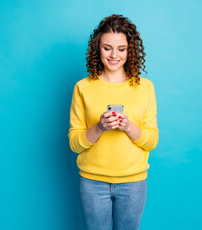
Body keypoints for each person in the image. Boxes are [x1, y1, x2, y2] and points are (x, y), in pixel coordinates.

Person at [68, 14, 159, 230]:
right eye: (107, 48)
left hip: (133, 184)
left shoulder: (145, 87)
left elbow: (152, 141)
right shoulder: (83, 87)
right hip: (92, 183)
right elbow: (74, 143)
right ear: (97, 48)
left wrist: (128, 127)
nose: (114, 55)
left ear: (130, 50)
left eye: (121, 49)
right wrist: (99, 127)